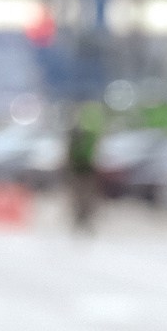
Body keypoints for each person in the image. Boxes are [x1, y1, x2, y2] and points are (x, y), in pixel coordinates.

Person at [66, 98, 105, 232]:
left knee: (85, 198)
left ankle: (84, 221)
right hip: (80, 168)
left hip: (86, 169)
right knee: (80, 197)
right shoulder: (78, 134)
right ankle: (79, 221)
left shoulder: (87, 134)